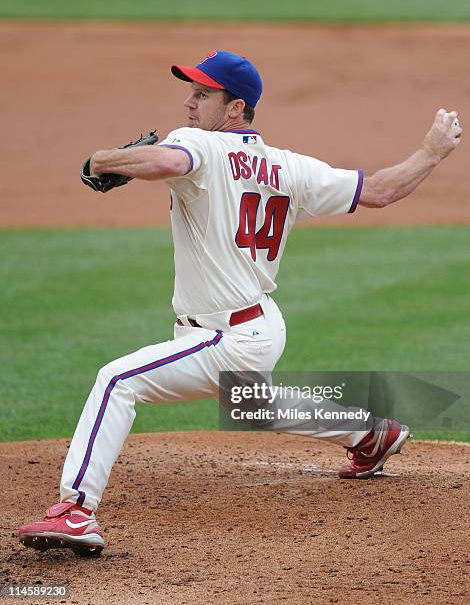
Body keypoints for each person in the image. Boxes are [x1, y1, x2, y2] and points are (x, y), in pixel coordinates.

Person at [18, 50, 462, 556]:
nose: (189, 103)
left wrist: (98, 160)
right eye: (191, 91)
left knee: (117, 380)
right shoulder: (291, 167)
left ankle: (76, 510)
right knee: (253, 404)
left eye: (202, 94)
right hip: (260, 327)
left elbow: (167, 160)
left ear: (235, 110)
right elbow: (381, 191)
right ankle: (371, 435)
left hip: (224, 337)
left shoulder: (199, 144)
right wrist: (431, 152)